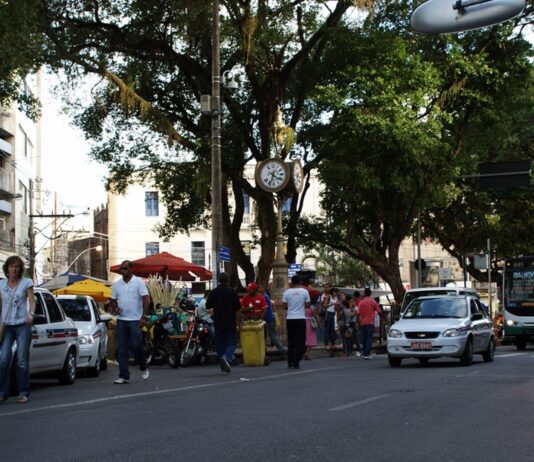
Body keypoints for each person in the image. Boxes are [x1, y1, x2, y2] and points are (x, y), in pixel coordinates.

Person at [0, 256, 35, 403]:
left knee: (21, 359)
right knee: (3, 359)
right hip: (6, 325)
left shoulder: (26, 283)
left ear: (20, 269)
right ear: (7, 269)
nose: (14, 269)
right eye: (11, 266)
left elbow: (32, 301)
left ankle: (23, 392)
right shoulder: (1, 284)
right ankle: (2, 392)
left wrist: (31, 315)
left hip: (22, 325)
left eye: (16, 267)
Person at [109, 260, 150, 384]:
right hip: (121, 320)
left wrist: (143, 317)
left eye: (125, 268)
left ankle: (143, 366)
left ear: (131, 269)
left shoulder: (139, 282)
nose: (123, 271)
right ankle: (124, 375)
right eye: (122, 268)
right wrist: (115, 308)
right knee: (122, 349)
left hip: (135, 320)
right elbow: (112, 300)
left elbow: (146, 300)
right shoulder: (117, 285)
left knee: (136, 346)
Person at [206, 272, 241, 374]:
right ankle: (227, 357)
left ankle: (223, 367)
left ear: (219, 280)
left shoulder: (214, 292)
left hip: (218, 322)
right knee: (231, 342)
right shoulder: (232, 292)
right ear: (227, 280)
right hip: (230, 321)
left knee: (220, 344)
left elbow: (208, 306)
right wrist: (239, 321)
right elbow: (237, 308)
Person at [282, 275, 310, 369]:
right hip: (300, 318)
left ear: (291, 282)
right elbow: (307, 305)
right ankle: (296, 361)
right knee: (301, 341)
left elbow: (284, 306)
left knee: (291, 341)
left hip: (290, 318)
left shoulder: (286, 292)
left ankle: (289, 361)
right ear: (300, 282)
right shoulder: (305, 292)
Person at [260, 286, 286, 355]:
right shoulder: (266, 296)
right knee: (272, 335)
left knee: (272, 335)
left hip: (268, 318)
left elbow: (265, 309)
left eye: (261, 287)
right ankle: (280, 349)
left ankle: (282, 350)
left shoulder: (264, 297)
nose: (259, 289)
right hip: (269, 318)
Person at [358, 288, 382, 360]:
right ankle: (367, 353)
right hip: (370, 322)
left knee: (364, 338)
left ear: (364, 294)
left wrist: (357, 322)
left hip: (363, 322)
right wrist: (383, 319)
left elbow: (358, 313)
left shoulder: (361, 302)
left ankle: (365, 352)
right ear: (370, 293)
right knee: (369, 338)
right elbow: (379, 311)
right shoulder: (373, 302)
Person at [320, 286, 340, 357]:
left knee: (332, 330)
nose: (336, 293)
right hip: (328, 314)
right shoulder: (329, 297)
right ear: (332, 292)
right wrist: (333, 304)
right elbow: (324, 305)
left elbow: (336, 307)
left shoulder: (336, 298)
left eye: (337, 292)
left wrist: (337, 306)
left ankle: (332, 343)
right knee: (327, 329)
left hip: (333, 313)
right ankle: (326, 343)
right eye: (335, 292)